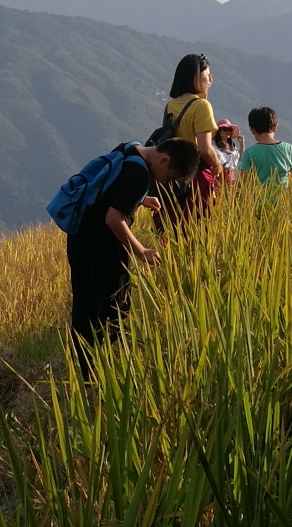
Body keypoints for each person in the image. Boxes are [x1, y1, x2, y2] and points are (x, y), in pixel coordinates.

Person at [64, 138, 202, 370]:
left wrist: (139, 199)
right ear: (163, 159)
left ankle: (84, 371)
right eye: (167, 176)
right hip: (105, 249)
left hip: (79, 239)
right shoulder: (140, 176)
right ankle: (103, 371)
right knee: (114, 310)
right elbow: (113, 218)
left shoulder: (130, 148)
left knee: (83, 307)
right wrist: (142, 251)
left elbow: (111, 185)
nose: (161, 181)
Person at [153, 54, 224, 215]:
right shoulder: (201, 106)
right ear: (197, 78)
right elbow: (205, 148)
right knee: (197, 226)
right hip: (195, 174)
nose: (210, 80)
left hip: (174, 175)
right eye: (208, 76)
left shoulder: (171, 105)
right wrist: (217, 166)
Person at [235, 107, 292, 191]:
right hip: (283, 201)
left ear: (252, 130)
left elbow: (242, 183)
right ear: (275, 127)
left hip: (259, 202)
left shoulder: (249, 153)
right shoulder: (288, 149)